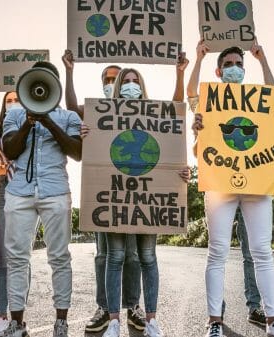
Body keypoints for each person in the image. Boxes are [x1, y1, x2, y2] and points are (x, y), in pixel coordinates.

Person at [187, 40, 274, 337]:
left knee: (262, 251)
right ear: (219, 71)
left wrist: (263, 60)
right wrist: (198, 58)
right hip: (220, 183)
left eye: (239, 64)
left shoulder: (259, 98)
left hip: (256, 181)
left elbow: (273, 98)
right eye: (229, 64)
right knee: (217, 252)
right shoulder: (209, 100)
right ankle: (213, 322)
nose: (235, 68)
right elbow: (192, 94)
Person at [95, 53, 191, 337]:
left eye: (136, 81)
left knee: (148, 257)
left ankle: (151, 321)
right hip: (116, 196)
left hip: (148, 197)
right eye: (126, 81)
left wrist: (179, 171)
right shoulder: (103, 115)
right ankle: (114, 321)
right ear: (117, 87)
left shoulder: (154, 113)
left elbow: (175, 111)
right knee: (116, 256)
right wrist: (88, 131)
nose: (131, 85)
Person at [61, 50, 146, 333]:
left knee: (132, 255)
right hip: (105, 191)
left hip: (134, 192)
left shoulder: (144, 110)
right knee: (104, 255)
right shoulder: (95, 110)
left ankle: (133, 305)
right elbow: (72, 105)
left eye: (116, 78)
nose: (113, 82)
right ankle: (104, 307)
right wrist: (69, 70)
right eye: (107, 79)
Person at [1, 61, 82, 337]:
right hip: (19, 192)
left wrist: (46, 119)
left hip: (56, 191)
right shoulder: (14, 113)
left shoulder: (69, 117)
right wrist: (28, 121)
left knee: (59, 256)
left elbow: (77, 152)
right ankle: (16, 322)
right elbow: (10, 150)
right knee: (17, 257)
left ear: (55, 87)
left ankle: (61, 320)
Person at [0, 91, 21, 337]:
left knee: (21, 257)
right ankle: (1, 316)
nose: (13, 103)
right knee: (2, 258)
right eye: (9, 100)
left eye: (17, 99)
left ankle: (19, 316)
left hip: (26, 188)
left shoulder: (34, 124)